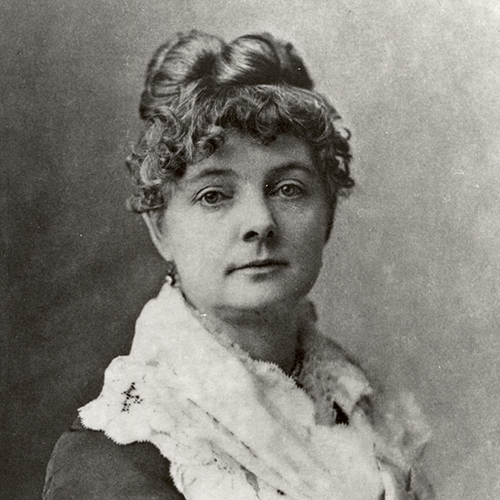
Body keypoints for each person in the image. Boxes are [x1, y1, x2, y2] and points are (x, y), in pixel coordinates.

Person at [43, 31, 433, 500]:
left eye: (288, 188)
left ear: (328, 210)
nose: (260, 223)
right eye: (213, 195)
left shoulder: (364, 408)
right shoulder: (119, 456)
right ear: (159, 229)